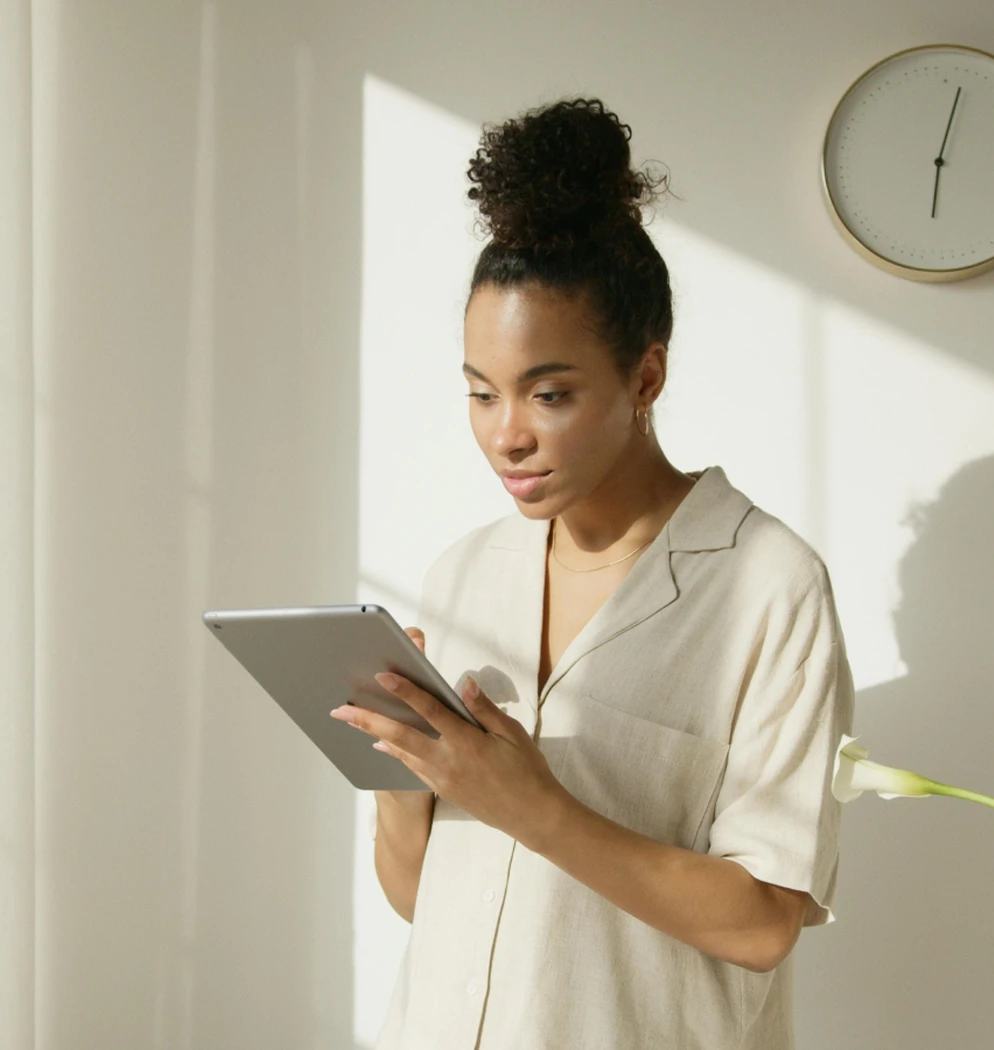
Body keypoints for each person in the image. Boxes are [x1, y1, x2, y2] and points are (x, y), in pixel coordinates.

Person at [329, 97, 856, 1050]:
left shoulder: (770, 585)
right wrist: (404, 784)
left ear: (646, 378)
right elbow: (425, 901)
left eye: (550, 393)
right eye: (481, 394)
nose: (506, 434)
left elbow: (763, 922)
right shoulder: (464, 576)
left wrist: (531, 805)